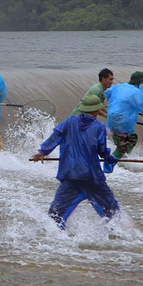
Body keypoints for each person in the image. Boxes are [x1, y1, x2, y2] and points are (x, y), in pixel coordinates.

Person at [30, 93, 120, 230]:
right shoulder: (99, 127)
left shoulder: (70, 122)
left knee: (55, 214)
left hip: (71, 175)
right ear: (96, 110)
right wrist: (111, 159)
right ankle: (119, 234)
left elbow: (56, 136)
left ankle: (54, 237)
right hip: (92, 177)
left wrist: (42, 152)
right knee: (111, 211)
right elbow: (102, 151)